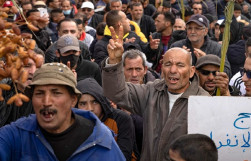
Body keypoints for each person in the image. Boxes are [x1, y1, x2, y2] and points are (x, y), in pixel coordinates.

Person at [103, 28, 210, 160]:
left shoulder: (203, 102)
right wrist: (115, 61)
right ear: (162, 68)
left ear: (192, 71)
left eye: (180, 65)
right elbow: (116, 92)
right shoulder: (151, 91)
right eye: (168, 64)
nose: (173, 70)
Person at [0, 63, 125, 160]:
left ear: (73, 100)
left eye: (56, 93)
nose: (46, 101)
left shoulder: (100, 142)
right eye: (39, 93)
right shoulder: (19, 134)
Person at [76, 78, 138, 161]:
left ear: (101, 101)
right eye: (83, 104)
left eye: (95, 102)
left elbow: (123, 156)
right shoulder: (72, 124)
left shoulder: (120, 119)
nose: (90, 108)